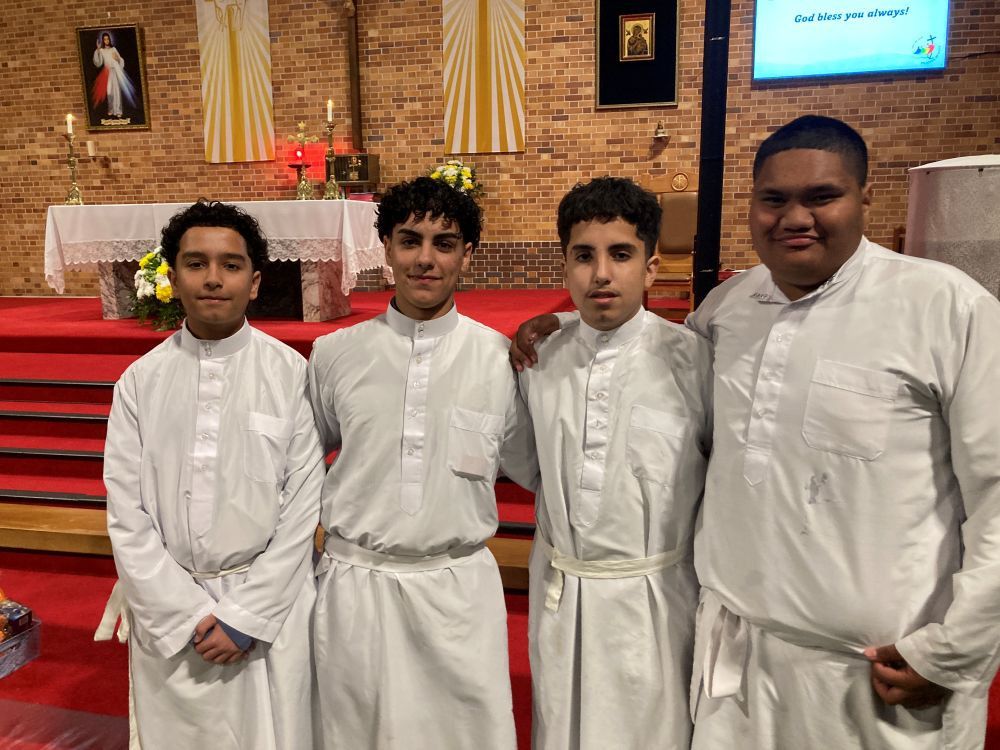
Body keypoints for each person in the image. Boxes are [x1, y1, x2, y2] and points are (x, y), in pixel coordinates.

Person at [512, 116, 1000, 749]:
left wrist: (958, 647)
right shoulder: (727, 312)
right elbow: (630, 356)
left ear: (864, 197)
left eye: (821, 196)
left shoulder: (947, 308)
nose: (795, 217)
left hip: (877, 669)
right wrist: (561, 328)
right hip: (735, 664)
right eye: (774, 199)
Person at [308, 176, 538, 750]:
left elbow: (537, 470)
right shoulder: (335, 354)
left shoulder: (498, 359)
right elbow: (299, 465)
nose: (425, 259)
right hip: (355, 590)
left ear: (467, 255)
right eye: (410, 241)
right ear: (386, 247)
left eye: (444, 243)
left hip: (457, 595)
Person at [99, 200, 324, 749]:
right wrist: (183, 613)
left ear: (255, 281)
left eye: (231, 264)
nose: (214, 278)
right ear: (173, 278)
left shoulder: (291, 374)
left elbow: (304, 507)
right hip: (172, 616)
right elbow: (126, 512)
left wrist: (245, 617)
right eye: (196, 263)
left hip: (269, 614)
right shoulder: (140, 382)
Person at [518, 177, 711, 749]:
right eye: (584, 256)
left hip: (656, 601)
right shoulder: (537, 360)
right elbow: (527, 465)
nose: (601, 274)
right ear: (565, 267)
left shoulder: (695, 362)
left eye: (620, 254)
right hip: (562, 593)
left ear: (651, 268)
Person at [91, 31, 138, 119]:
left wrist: (117, 59)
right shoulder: (101, 51)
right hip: (107, 72)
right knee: (109, 91)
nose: (106, 41)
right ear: (103, 40)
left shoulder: (113, 49)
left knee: (116, 91)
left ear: (109, 39)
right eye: (104, 39)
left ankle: (118, 110)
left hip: (114, 71)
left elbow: (120, 60)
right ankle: (111, 109)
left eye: (107, 39)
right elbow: (98, 63)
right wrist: (97, 50)